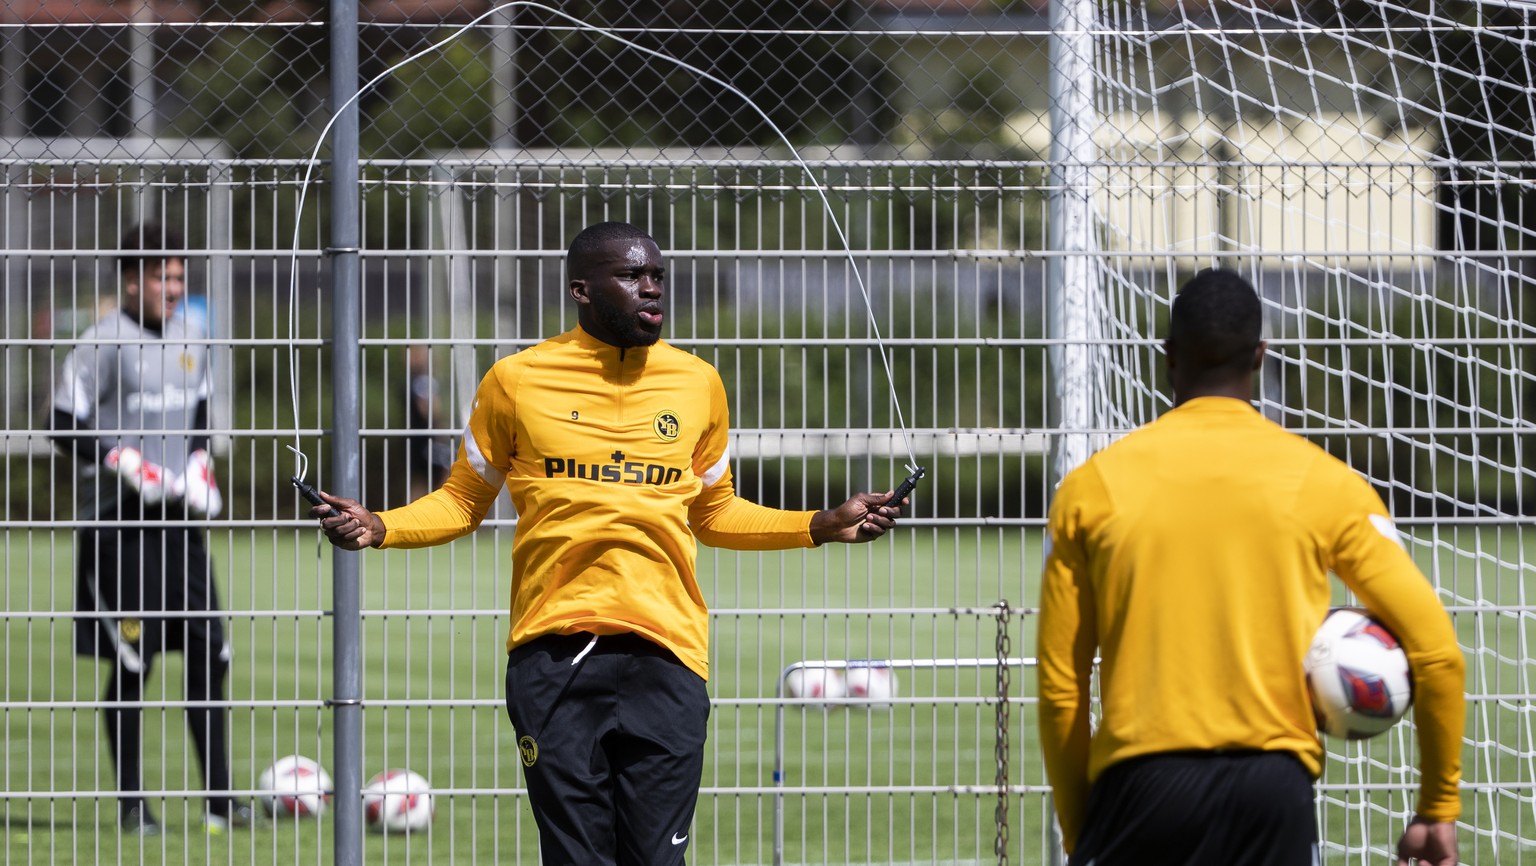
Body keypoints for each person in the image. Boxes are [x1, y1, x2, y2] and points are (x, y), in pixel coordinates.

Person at [309, 221, 906, 864]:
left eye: (657, 277)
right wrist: (382, 526)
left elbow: (715, 510)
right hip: (553, 654)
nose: (651, 289)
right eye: (631, 276)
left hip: (668, 656)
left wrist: (818, 523)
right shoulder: (516, 381)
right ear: (582, 290)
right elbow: (462, 501)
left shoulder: (698, 383)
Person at [1036, 269, 1465, 866]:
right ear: (1260, 356)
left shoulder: (1091, 489)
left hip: (1139, 787)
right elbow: (1437, 651)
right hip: (1274, 792)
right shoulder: (1325, 483)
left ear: (1169, 357)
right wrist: (1437, 809)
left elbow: (1062, 689)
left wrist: (1085, 836)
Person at [50, 222, 254, 835]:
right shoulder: (101, 341)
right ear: (131, 281)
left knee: (209, 652)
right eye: (162, 278)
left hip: (178, 524)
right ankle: (133, 806)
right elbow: (63, 420)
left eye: (178, 277)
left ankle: (221, 802)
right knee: (134, 660)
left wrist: (197, 460)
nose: (173, 288)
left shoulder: (193, 335)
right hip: (118, 526)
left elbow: (196, 410)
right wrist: (121, 459)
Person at [404, 345, 452, 501]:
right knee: (453, 466)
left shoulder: (411, 380)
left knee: (420, 481)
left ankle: (414, 516)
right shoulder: (422, 381)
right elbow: (428, 409)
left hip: (415, 441)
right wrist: (440, 426)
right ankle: (440, 508)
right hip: (425, 440)